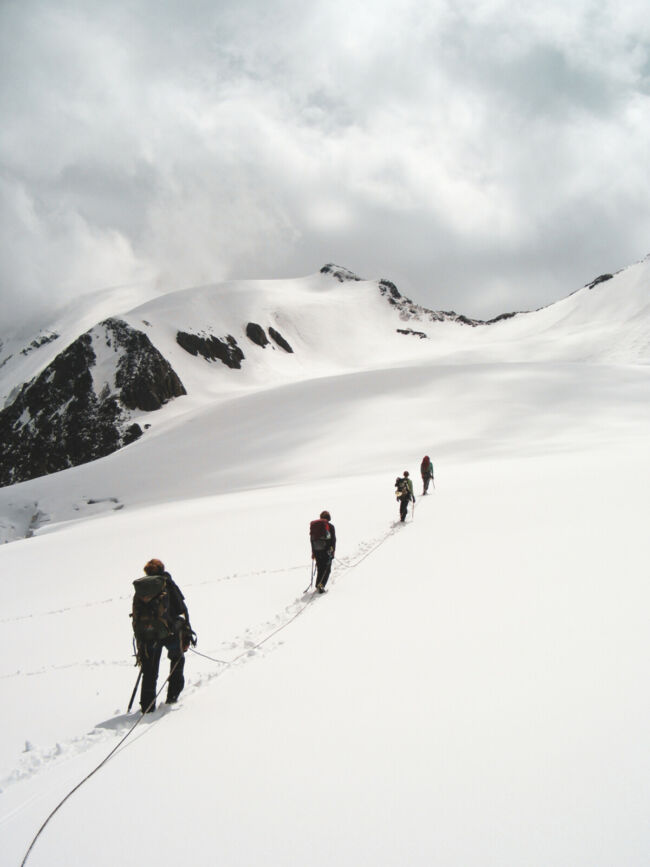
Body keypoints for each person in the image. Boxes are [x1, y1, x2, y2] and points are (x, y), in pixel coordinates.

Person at [131, 558, 196, 713]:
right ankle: (172, 696)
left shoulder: (141, 589)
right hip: (169, 632)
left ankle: (147, 706)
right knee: (177, 658)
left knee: (149, 670)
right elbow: (181, 607)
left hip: (147, 635)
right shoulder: (167, 583)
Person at [310, 510, 336, 593]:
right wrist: (333, 551)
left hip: (316, 550)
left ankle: (318, 584)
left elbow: (312, 540)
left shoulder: (315, 527)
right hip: (327, 550)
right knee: (327, 569)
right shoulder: (330, 526)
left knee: (320, 568)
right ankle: (321, 586)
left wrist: (313, 552)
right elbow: (333, 540)